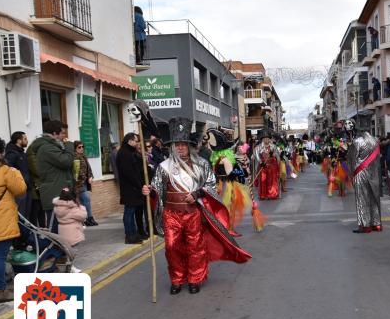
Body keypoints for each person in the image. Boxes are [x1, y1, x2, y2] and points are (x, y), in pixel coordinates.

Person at [142, 117, 252, 295]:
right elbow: (157, 188)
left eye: (183, 144)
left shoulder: (201, 165)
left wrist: (196, 194)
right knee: (171, 247)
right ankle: (177, 278)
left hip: (193, 213)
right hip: (171, 214)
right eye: (176, 145)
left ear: (189, 145)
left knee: (195, 246)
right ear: (172, 147)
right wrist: (150, 191)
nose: (180, 147)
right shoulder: (164, 167)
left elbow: (210, 186)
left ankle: (195, 278)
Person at [27, 120, 75, 234]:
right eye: (62, 133)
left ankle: (61, 250)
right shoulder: (46, 148)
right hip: (54, 194)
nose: (65, 136)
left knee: (62, 228)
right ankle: (54, 251)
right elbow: (66, 161)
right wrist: (69, 146)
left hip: (59, 192)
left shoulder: (52, 146)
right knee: (55, 228)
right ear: (54, 133)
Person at [0, 135, 27, 303]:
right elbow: (20, 189)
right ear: (0, 152)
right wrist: (15, 172)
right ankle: (0, 290)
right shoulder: (5, 171)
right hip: (1, 221)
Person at [347, 121, 382, 233]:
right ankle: (376, 223)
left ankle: (365, 225)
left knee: (362, 199)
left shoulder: (357, 141)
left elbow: (352, 160)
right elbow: (378, 159)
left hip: (360, 173)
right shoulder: (376, 141)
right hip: (374, 173)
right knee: (374, 198)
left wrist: (351, 174)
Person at [116, 132, 146, 244]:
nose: (137, 142)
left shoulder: (130, 152)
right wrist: (139, 185)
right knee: (129, 212)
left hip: (133, 187)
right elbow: (129, 173)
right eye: (135, 140)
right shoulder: (124, 153)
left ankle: (134, 234)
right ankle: (130, 235)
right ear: (129, 141)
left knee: (132, 211)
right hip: (130, 188)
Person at [5, 131, 32, 245]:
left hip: (26, 188)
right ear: (19, 140)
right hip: (19, 191)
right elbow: (9, 171)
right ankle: (18, 242)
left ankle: (24, 240)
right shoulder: (12, 153)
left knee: (25, 216)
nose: (27, 140)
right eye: (25, 139)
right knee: (20, 217)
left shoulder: (21, 153)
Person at [53, 186, 86, 273]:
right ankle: (70, 267)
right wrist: (79, 205)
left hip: (63, 231)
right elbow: (83, 215)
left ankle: (69, 266)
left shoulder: (58, 207)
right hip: (72, 232)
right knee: (72, 252)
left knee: (66, 250)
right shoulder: (73, 209)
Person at [74, 141, 97, 226]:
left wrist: (90, 176)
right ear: (75, 148)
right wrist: (85, 178)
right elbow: (77, 171)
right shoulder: (75, 157)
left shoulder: (84, 156)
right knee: (86, 200)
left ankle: (88, 218)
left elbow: (88, 169)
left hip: (84, 183)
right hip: (78, 184)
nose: (81, 148)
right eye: (79, 147)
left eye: (82, 147)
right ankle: (88, 218)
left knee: (84, 201)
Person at [253, 130, 280, 200]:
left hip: (272, 166)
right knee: (263, 180)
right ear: (262, 139)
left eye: (267, 138)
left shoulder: (273, 146)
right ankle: (263, 195)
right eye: (264, 138)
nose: (266, 140)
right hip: (263, 166)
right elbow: (256, 155)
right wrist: (261, 162)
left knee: (272, 180)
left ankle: (272, 194)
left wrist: (273, 154)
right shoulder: (258, 147)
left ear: (269, 139)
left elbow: (277, 155)